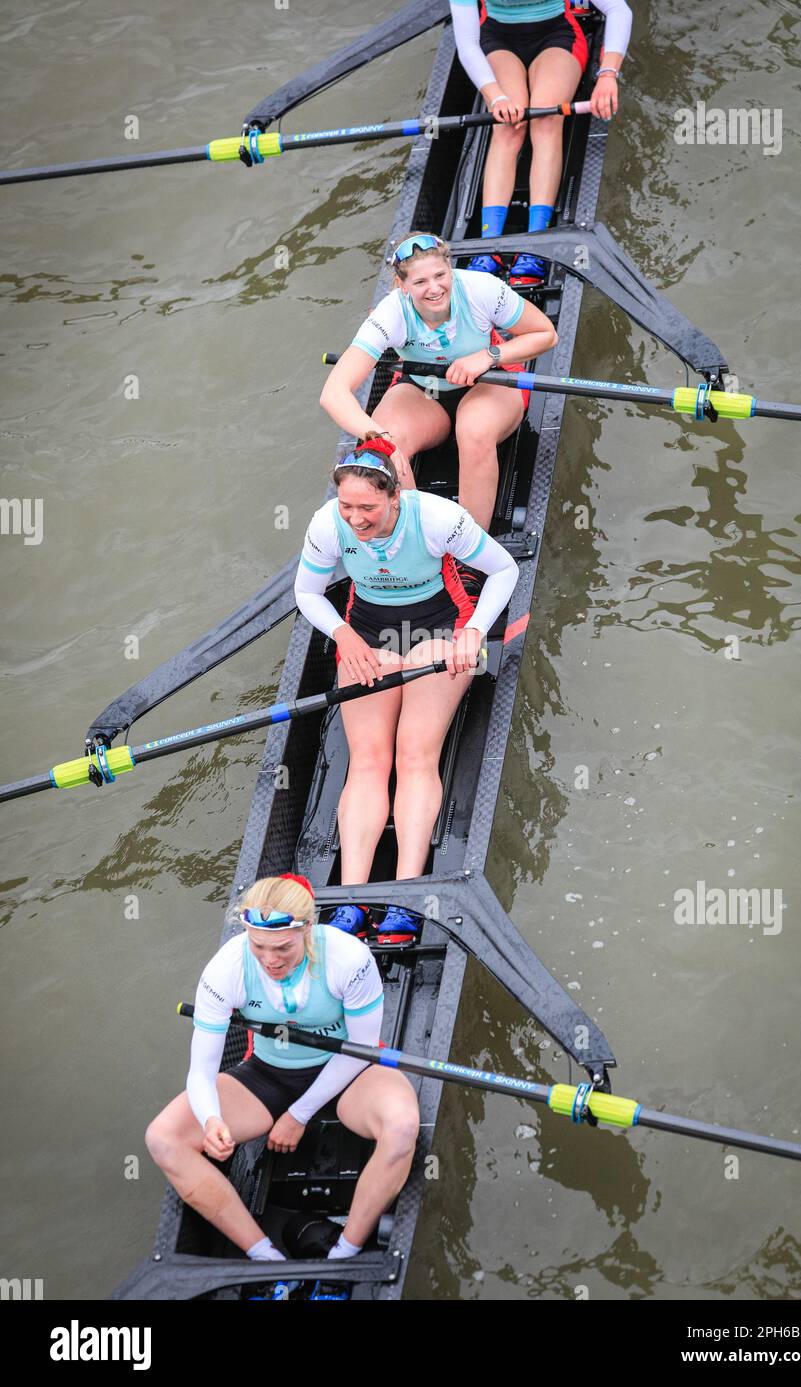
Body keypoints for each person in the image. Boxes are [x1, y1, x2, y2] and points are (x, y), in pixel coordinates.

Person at [294, 437, 519, 940]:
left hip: (439, 631)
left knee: (414, 755)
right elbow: (307, 593)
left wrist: (475, 631)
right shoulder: (325, 524)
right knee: (368, 760)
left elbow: (505, 569)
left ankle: (405, 896)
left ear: (394, 497)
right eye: (347, 505)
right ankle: (352, 900)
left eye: (367, 507)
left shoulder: (437, 517)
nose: (355, 518)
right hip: (367, 632)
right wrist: (342, 634)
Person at [145, 873, 418, 1263]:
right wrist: (210, 1120)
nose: (271, 960)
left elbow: (359, 1051)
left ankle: (345, 1252)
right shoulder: (226, 970)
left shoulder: (348, 958)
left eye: (283, 948)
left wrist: (298, 1114)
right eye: (259, 946)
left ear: (308, 928)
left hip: (350, 1073)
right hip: (269, 1074)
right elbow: (201, 1072)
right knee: (163, 1139)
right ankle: (263, 1255)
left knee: (403, 1128)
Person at [319, 232, 557, 532]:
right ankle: (413, 539)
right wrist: (380, 436)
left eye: (440, 276)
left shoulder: (480, 289)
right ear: (402, 286)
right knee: (383, 445)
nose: (434, 289)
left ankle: (470, 547)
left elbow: (545, 334)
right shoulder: (391, 313)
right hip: (426, 392)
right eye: (420, 282)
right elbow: (333, 393)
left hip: (490, 382)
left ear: (450, 269)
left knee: (473, 430)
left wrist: (488, 355)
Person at [449, 0, 633, 284]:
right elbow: (468, 45)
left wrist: (608, 74)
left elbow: (619, 10)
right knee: (508, 127)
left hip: (558, 35)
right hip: (496, 39)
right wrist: (494, 96)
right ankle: (489, 246)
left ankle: (537, 244)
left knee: (546, 117)